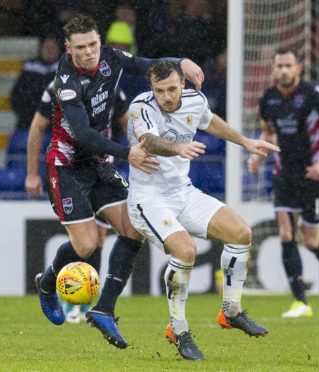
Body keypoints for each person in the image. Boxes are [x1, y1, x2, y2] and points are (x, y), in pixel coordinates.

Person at [34, 13, 204, 349]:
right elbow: (82, 134)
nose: (88, 52)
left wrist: (180, 61)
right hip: (67, 166)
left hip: (98, 164)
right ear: (68, 48)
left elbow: (146, 65)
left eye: (93, 44)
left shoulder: (110, 57)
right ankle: (47, 281)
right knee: (86, 246)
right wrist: (130, 154)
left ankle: (104, 309)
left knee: (133, 229)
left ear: (100, 40)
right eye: (80, 47)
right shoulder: (66, 81)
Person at [126, 60, 277, 360]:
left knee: (240, 233)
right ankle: (178, 329)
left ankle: (231, 311)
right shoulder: (141, 107)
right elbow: (149, 141)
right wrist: (177, 148)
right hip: (148, 198)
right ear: (151, 89)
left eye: (172, 88)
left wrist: (245, 141)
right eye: (160, 91)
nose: (167, 97)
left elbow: (209, 121)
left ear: (183, 83)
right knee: (186, 250)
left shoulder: (195, 99)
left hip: (182, 192)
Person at [248, 48, 319, 318]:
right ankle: (300, 301)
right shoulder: (268, 99)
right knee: (285, 232)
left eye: (288, 66)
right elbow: (268, 132)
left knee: (311, 240)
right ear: (273, 70)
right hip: (284, 173)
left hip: (314, 173)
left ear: (298, 68)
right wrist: (258, 156)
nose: (283, 70)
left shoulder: (315, 95)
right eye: (279, 66)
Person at [25, 80, 130, 323]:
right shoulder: (57, 87)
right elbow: (37, 127)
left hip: (103, 171)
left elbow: (128, 125)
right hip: (69, 170)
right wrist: (31, 173)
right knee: (85, 243)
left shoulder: (113, 86)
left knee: (106, 238)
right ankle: (61, 291)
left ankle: (87, 304)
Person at [10, 36, 60, 130]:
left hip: (56, 125)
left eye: (53, 48)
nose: (50, 51)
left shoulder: (65, 70)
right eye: (47, 48)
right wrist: (30, 116)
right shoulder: (29, 69)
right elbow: (17, 97)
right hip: (28, 123)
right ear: (40, 49)